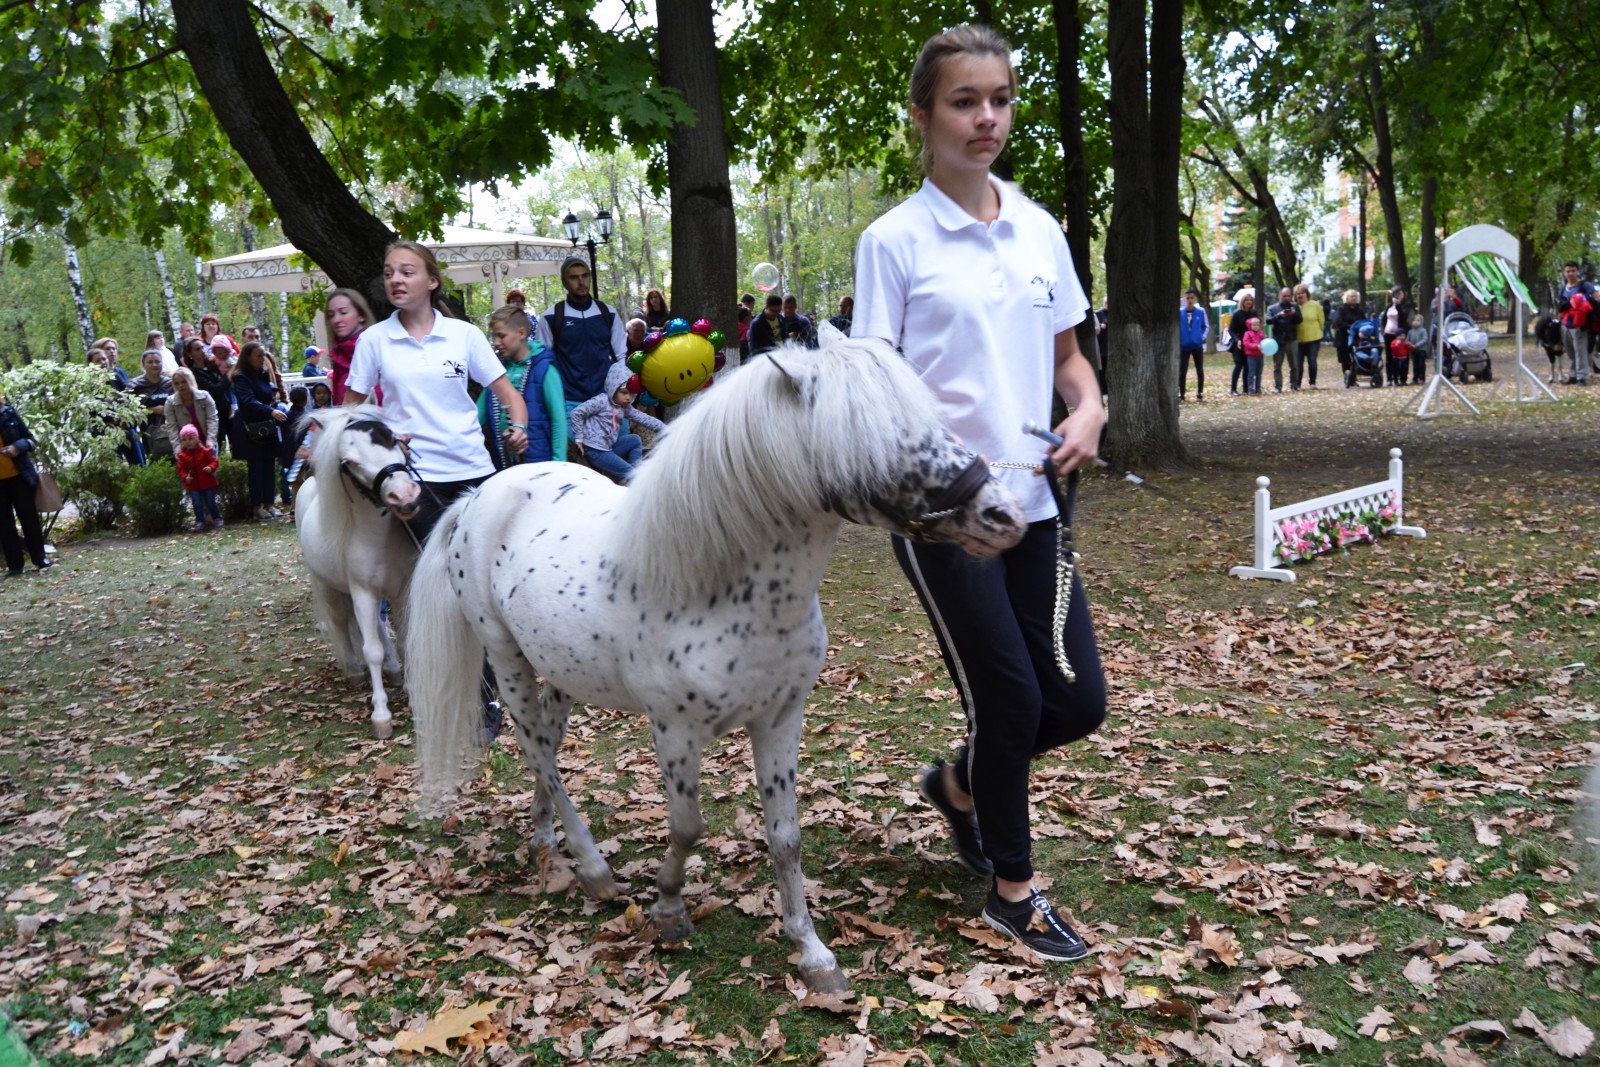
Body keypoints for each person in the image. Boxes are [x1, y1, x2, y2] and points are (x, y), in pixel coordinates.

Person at [853, 25, 1106, 962]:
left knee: (1074, 706)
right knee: (1007, 701)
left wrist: (1087, 416)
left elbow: (1071, 363)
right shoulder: (893, 242)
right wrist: (935, 501)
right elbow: (876, 393)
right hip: (946, 522)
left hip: (1037, 507)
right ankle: (1013, 890)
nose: (986, 117)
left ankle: (959, 786)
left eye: (998, 98)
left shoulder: (1040, 229)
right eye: (964, 100)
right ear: (923, 114)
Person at [345, 240, 529, 541]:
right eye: (389, 273)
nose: (395, 280)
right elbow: (350, 413)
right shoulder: (373, 340)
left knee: (481, 571)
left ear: (432, 281)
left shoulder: (464, 335)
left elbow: (510, 396)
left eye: (406, 272)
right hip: (414, 479)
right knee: (438, 573)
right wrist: (384, 442)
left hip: (475, 470)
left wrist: (519, 427)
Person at [537, 256, 626, 416]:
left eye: (585, 276)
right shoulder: (551, 318)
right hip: (570, 402)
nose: (581, 281)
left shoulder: (609, 313)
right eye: (574, 277)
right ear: (565, 281)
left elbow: (620, 355)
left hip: (607, 399)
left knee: (619, 442)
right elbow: (543, 361)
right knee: (576, 443)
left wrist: (620, 390)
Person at [481, 303, 566, 469]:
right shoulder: (498, 372)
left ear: (521, 333)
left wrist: (559, 467)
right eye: (494, 337)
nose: (496, 342)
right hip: (504, 466)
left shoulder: (545, 370)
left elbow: (559, 421)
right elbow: (478, 415)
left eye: (501, 336)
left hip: (540, 467)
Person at [569, 362, 666, 483]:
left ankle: (639, 471)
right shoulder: (601, 401)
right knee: (630, 473)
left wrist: (664, 429)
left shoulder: (625, 407)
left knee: (635, 439)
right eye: (624, 392)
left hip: (608, 448)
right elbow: (577, 413)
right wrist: (579, 438)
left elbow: (643, 418)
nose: (628, 398)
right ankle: (638, 484)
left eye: (631, 394)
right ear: (613, 389)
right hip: (595, 451)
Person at [232, 342, 288, 520]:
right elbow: (248, 400)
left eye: (263, 355)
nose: (262, 359)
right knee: (256, 468)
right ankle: (257, 507)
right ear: (247, 357)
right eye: (258, 355)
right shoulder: (241, 377)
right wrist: (270, 410)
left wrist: (275, 406)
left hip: (267, 427)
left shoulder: (262, 375)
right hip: (251, 428)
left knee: (270, 467)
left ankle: (270, 504)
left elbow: (268, 395)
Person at [0, 387, 51, 577]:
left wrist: (16, 447)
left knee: (29, 518)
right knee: (4, 524)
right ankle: (14, 565)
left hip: (19, 476)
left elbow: (31, 440)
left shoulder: (8, 413)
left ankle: (39, 557)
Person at [322, 287, 376, 405]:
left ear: (361, 315)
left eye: (343, 312)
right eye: (331, 315)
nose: (336, 319)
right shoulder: (340, 354)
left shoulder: (376, 350)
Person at [175, 424, 224, 531]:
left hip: (207, 482)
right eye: (184, 440)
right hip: (193, 484)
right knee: (196, 503)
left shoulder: (205, 451)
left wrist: (210, 468)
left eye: (191, 439)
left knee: (210, 501)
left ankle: (217, 517)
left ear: (197, 439)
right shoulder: (182, 456)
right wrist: (185, 477)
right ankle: (200, 520)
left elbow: (214, 461)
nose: (188, 442)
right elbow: (181, 469)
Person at [162, 367, 220, 454]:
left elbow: (212, 419)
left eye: (184, 382)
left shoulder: (205, 396)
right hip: (186, 447)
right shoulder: (170, 402)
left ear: (190, 381)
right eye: (177, 383)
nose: (180, 385)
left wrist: (211, 441)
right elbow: (172, 427)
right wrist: (177, 449)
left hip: (207, 442)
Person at [130, 350, 175, 459]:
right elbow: (129, 412)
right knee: (155, 461)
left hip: (172, 429)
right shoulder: (135, 385)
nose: (154, 364)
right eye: (150, 362)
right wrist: (153, 410)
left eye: (157, 361)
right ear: (143, 365)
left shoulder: (170, 383)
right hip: (149, 432)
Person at [1557, 261, 1594, 386]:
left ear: (1578, 271)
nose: (1571, 273)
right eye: (1568, 271)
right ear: (1564, 273)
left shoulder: (1584, 285)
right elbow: (1560, 307)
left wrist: (1581, 300)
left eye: (1573, 271)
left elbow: (1595, 297)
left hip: (1580, 324)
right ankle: (1573, 375)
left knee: (1580, 350)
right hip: (1566, 324)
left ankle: (1582, 377)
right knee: (1570, 350)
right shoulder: (1563, 289)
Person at [1264, 287, 1302, 392]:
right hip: (1278, 340)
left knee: (1294, 364)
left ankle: (1294, 385)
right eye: (1284, 296)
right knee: (1277, 365)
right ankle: (1278, 386)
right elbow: (1268, 321)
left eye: (1288, 296)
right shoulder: (1272, 308)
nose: (1286, 298)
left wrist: (1294, 314)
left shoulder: (1294, 306)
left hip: (1291, 338)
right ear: (1279, 296)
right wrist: (1280, 315)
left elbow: (1300, 320)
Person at [1329, 290, 1366, 386]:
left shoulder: (1360, 310)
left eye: (1354, 296)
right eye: (1351, 296)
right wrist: (1351, 327)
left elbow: (1363, 321)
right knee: (1345, 359)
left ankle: (1354, 377)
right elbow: (1338, 322)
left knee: (1356, 357)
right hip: (1343, 337)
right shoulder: (1341, 309)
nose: (1353, 298)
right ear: (1346, 298)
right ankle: (1348, 378)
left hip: (1357, 337)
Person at [1178, 289, 1208, 401]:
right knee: (1182, 371)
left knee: (1199, 369)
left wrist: (1201, 338)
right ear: (1184, 299)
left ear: (1195, 298)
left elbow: (1205, 326)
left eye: (1192, 298)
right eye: (1188, 298)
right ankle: (1181, 394)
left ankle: (1199, 393)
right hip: (1184, 346)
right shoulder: (1179, 313)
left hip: (1197, 346)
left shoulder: (1201, 311)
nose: (1190, 300)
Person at [1381, 287, 1415, 385]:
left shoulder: (1407, 305)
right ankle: (1390, 378)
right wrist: (1383, 330)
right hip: (1388, 333)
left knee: (1402, 355)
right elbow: (1384, 318)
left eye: (1400, 294)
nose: (1399, 296)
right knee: (1389, 356)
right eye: (1397, 294)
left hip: (1400, 334)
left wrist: (1398, 305)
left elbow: (1403, 317)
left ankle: (1402, 378)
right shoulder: (1389, 306)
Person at [1293, 283, 1324, 389]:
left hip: (1314, 338)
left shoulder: (1315, 305)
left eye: (1302, 293)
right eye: (1297, 294)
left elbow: (1321, 320)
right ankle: (1297, 384)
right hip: (1299, 339)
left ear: (1307, 294)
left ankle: (1312, 383)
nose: (1300, 296)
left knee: (1312, 361)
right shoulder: (1294, 306)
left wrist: (1320, 332)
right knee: (1298, 363)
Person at [1226, 292, 1256, 395]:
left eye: (1250, 300)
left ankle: (1246, 388)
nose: (1249, 302)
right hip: (1239, 343)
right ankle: (1233, 389)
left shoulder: (1253, 313)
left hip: (1250, 344)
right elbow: (1231, 330)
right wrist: (1237, 340)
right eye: (1247, 300)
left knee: (1248, 366)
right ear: (1242, 302)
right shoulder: (1237, 314)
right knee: (1239, 365)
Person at [1241, 317, 1265, 395]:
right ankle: (1250, 389)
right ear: (1250, 325)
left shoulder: (1261, 333)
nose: (1256, 326)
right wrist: (1256, 346)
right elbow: (1246, 344)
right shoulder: (1247, 333)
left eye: (1257, 325)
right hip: (1251, 356)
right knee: (1251, 373)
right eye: (1254, 325)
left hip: (1260, 356)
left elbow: (1265, 342)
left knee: (1259, 373)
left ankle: (1258, 389)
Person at [1404, 313, 1431, 384]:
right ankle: (1415, 378)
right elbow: (1407, 340)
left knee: (1421, 364)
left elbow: (1425, 339)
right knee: (1415, 365)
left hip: (1421, 350)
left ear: (1421, 321)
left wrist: (1417, 345)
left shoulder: (1423, 330)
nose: (1416, 322)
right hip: (1413, 350)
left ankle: (1421, 378)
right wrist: (1410, 344)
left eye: (1418, 320)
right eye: (1414, 320)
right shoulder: (1410, 331)